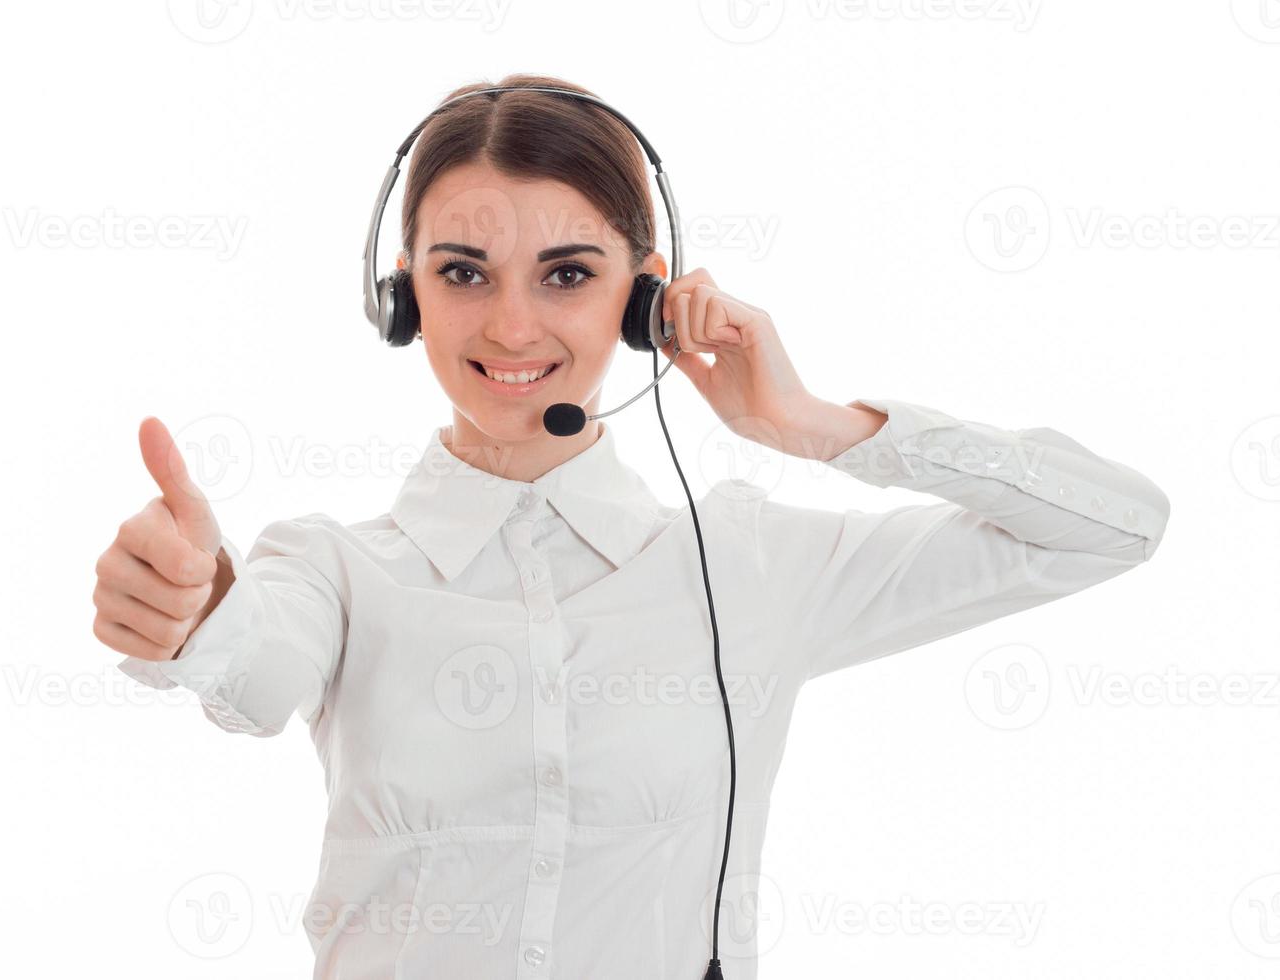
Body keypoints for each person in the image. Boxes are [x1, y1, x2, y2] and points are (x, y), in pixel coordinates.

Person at [91, 74, 1170, 980]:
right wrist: (196, 611)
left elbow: (1113, 526)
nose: (513, 325)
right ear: (401, 295)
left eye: (569, 273)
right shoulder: (331, 568)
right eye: (462, 272)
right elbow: (257, 671)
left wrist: (815, 424)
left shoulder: (746, 566)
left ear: (648, 299)